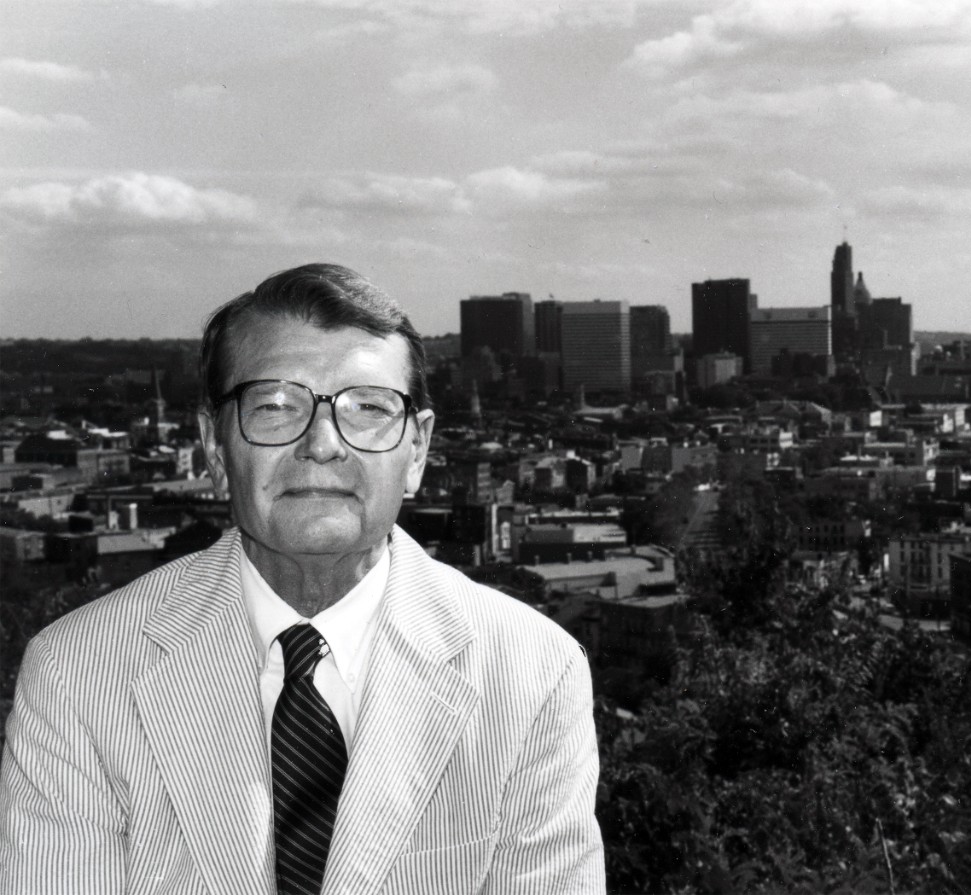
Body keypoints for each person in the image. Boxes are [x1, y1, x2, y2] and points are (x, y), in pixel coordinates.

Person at [0, 264, 605, 893]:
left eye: (369, 408)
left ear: (417, 450)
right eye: (275, 406)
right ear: (214, 446)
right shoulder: (78, 672)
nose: (322, 444)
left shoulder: (534, 670)